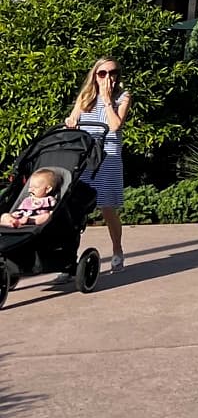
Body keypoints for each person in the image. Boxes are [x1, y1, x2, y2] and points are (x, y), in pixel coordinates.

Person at [68, 58, 131, 272]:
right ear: (95, 75)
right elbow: (72, 120)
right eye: (102, 73)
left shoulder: (122, 97)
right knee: (74, 208)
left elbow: (114, 126)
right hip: (86, 159)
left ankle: (117, 251)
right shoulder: (85, 97)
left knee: (107, 208)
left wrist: (106, 100)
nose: (108, 78)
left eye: (112, 73)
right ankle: (69, 258)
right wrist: (71, 121)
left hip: (109, 158)